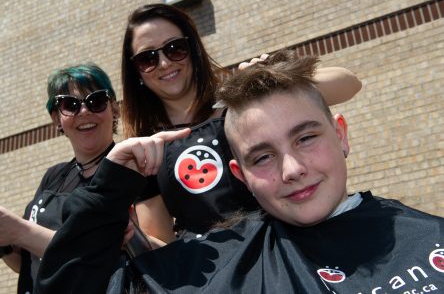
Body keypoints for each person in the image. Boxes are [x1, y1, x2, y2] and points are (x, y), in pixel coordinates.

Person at [34, 50, 443, 293]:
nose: (293, 170)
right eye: (262, 157)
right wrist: (108, 192)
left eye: (305, 138)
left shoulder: (430, 237)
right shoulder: (220, 269)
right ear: (240, 174)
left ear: (342, 136)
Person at [120, 3, 362, 242]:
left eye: (175, 48)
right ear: (136, 72)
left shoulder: (239, 104)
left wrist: (270, 82)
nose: (164, 63)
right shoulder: (145, 148)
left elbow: (349, 83)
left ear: (193, 49)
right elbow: (159, 239)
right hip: (213, 276)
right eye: (147, 58)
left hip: (288, 254)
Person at [0, 63, 120, 293]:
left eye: (96, 101)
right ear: (57, 119)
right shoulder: (53, 176)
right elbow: (28, 262)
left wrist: (19, 231)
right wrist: (6, 243)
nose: (84, 111)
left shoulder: (129, 168)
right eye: (70, 104)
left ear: (114, 109)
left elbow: (126, 255)